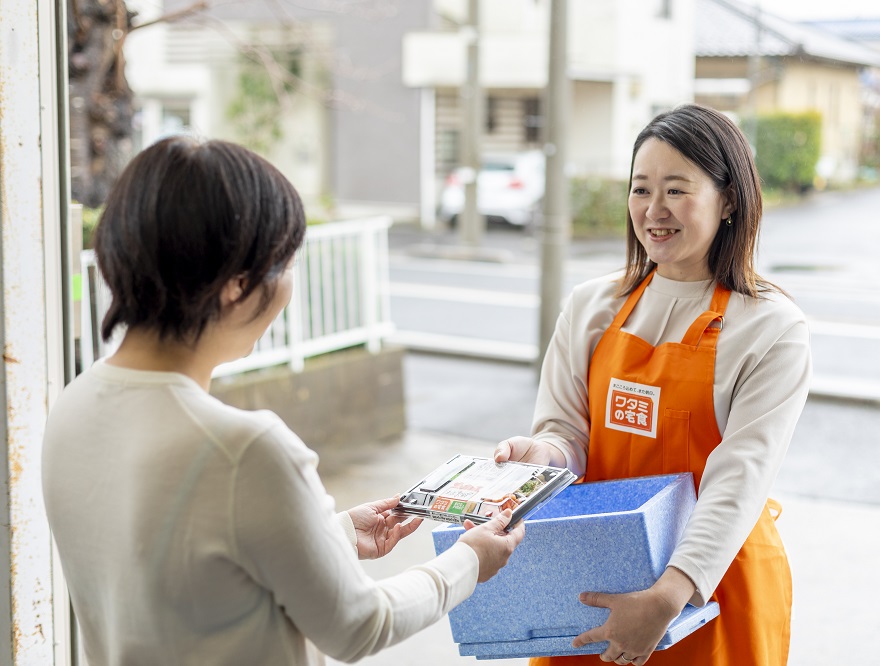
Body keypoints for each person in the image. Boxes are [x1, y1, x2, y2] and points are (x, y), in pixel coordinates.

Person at [41, 135, 525, 666]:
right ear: (235, 284)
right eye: (286, 263)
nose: (289, 285)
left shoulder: (71, 407)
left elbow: (185, 580)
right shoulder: (244, 450)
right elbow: (360, 627)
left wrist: (330, 537)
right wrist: (469, 561)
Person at [495, 104, 811, 666]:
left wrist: (669, 594)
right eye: (641, 190)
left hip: (709, 587)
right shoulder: (592, 306)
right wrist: (540, 454)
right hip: (595, 580)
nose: (653, 210)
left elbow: (739, 478)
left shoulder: (771, 327)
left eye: (676, 190)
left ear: (729, 199)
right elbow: (567, 431)